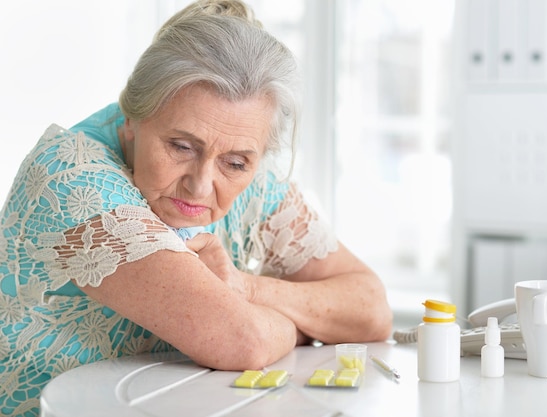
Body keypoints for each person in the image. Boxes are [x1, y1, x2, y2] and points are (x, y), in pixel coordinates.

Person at [0, 1, 393, 415]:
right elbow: (244, 341)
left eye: (236, 163)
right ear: (131, 119)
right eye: (181, 147)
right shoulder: (72, 179)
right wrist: (300, 327)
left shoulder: (251, 170)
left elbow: (371, 310)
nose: (201, 184)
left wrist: (248, 289)